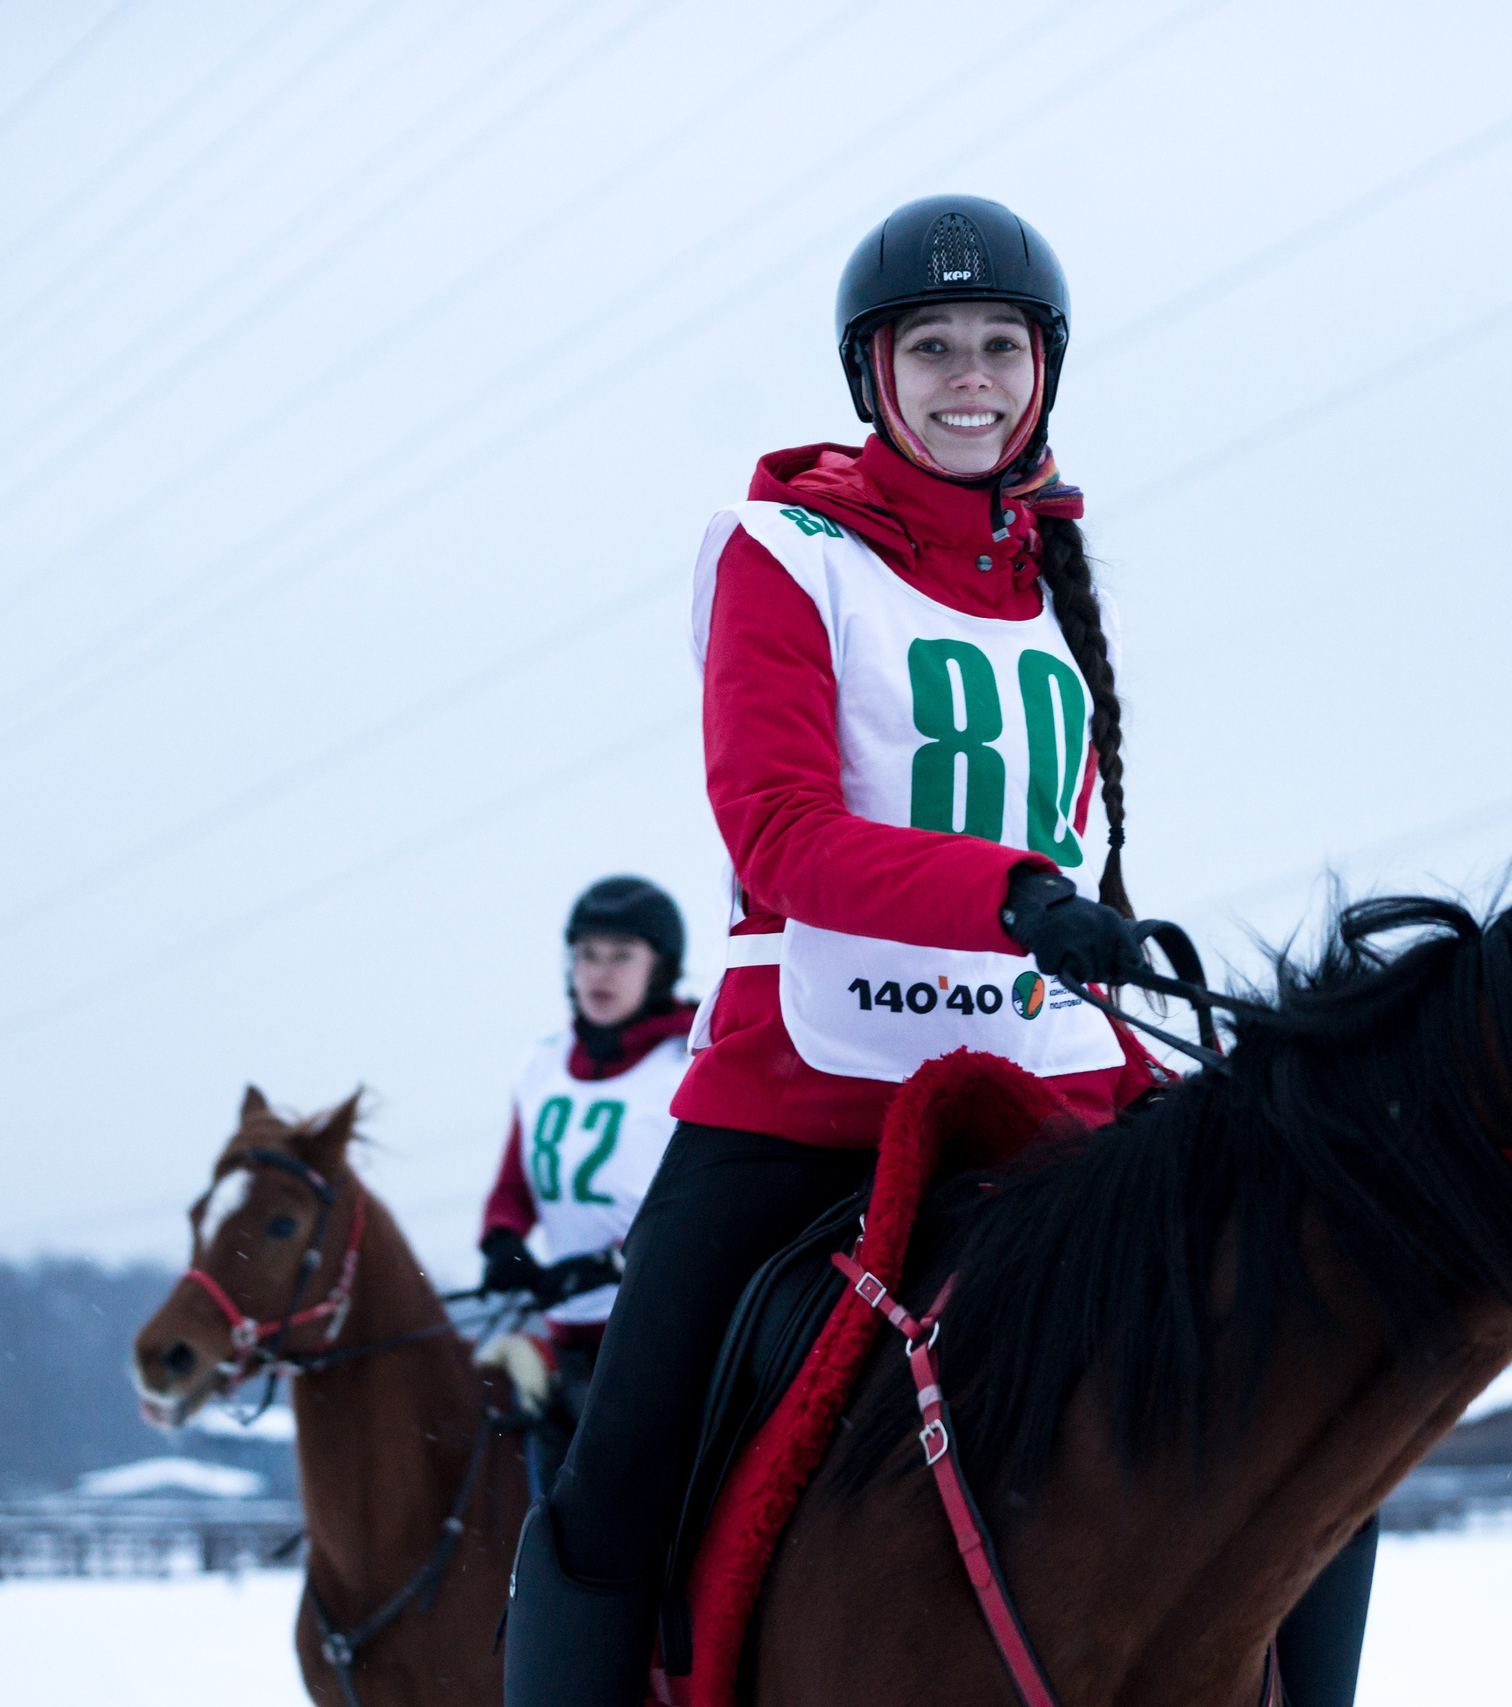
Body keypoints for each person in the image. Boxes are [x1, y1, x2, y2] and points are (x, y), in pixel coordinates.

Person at [504, 196, 1374, 1707]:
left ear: (1043, 372)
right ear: (872, 377)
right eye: (931, 349)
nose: (967, 377)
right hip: (807, 1090)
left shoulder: (1054, 580)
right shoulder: (779, 551)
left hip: (1056, 1079)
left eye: (998, 346)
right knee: (616, 1465)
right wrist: (1018, 894)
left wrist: (1081, 945)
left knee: (1316, 1372)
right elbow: (776, 830)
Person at [476, 876, 696, 1467]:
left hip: (662, 1333)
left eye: (622, 956)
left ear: (661, 969)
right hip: (566, 1333)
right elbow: (514, 1186)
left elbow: (702, 1205)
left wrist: (613, 1263)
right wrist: (502, 1242)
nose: (600, 973)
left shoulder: (692, 1065)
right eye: (587, 955)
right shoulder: (541, 1064)